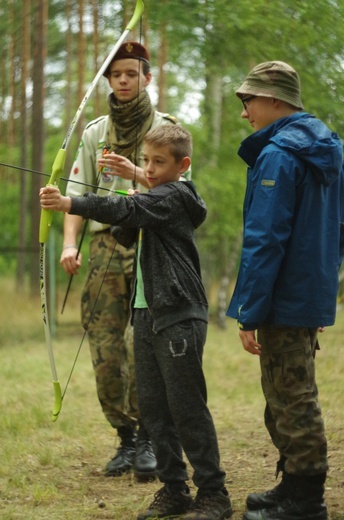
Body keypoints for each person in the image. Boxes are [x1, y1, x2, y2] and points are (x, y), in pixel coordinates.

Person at [40, 124, 232, 520]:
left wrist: (71, 204)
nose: (151, 168)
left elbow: (127, 210)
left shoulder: (178, 195)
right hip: (146, 313)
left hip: (178, 313)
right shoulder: (152, 198)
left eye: (159, 162)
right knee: (153, 407)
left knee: (186, 406)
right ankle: (174, 489)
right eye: (146, 161)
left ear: (183, 165)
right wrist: (129, 195)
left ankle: (214, 494)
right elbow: (125, 228)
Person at [61, 41, 189, 479]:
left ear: (147, 78)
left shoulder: (166, 128)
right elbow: (74, 196)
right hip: (105, 248)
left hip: (153, 247)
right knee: (104, 344)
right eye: (115, 74)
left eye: (131, 73)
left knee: (147, 346)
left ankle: (152, 438)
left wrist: (137, 174)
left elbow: (184, 196)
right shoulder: (96, 131)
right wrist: (69, 245)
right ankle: (126, 437)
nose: (122, 80)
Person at [226, 61, 344, 520]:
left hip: (281, 298)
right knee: (287, 393)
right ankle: (293, 483)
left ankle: (306, 499)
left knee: (291, 398)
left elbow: (265, 239)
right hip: (305, 293)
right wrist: (322, 292)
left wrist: (249, 311)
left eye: (248, 101)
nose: (244, 113)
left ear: (276, 100)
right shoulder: (327, 148)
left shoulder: (279, 154)